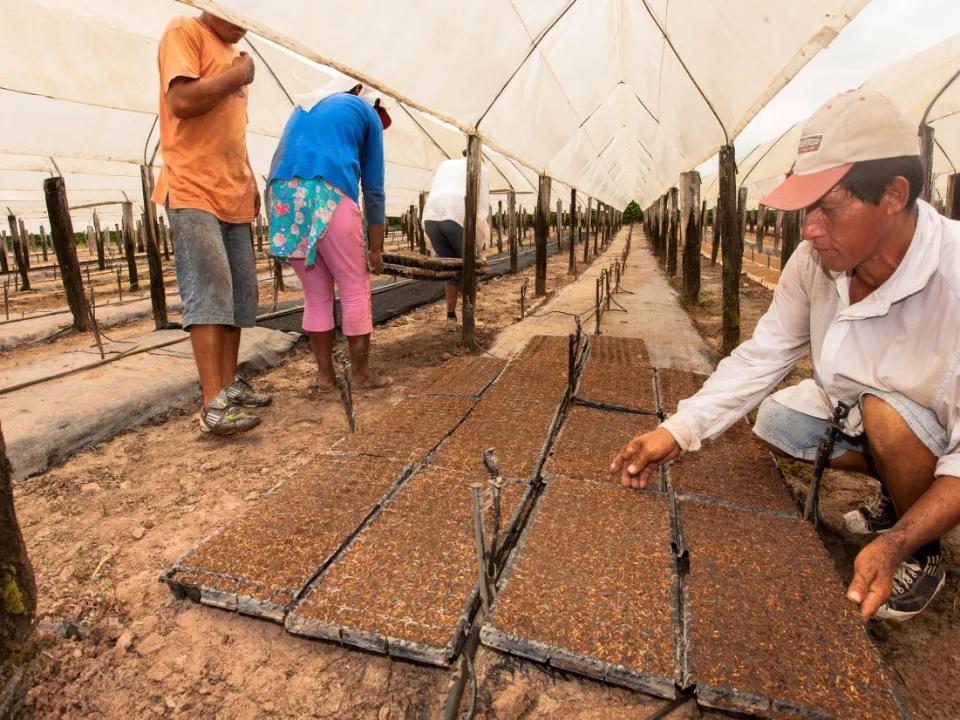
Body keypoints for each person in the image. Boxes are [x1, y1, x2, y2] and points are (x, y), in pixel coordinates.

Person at [611, 90, 960, 622]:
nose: (809, 229)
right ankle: (899, 488)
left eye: (828, 208)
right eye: (805, 209)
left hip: (926, 427)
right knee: (777, 420)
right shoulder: (814, 262)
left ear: (894, 194)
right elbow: (764, 354)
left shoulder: (952, 278)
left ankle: (922, 545)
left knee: (885, 416)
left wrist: (896, 543)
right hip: (853, 411)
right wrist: (678, 430)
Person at [154, 12, 272, 436]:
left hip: (233, 190)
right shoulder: (185, 31)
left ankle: (228, 385)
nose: (243, 24)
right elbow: (182, 102)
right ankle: (212, 405)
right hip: (193, 187)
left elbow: (231, 130)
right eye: (235, 13)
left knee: (237, 295)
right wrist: (238, 74)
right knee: (208, 290)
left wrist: (249, 177)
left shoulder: (233, 51)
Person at [267, 79, 392, 392]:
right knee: (354, 287)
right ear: (362, 93)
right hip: (328, 194)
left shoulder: (304, 106)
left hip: (283, 199)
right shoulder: (365, 109)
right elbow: (373, 188)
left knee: (316, 295)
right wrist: (375, 249)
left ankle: (325, 377)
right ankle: (361, 376)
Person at [422, 152, 491, 328]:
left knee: (451, 270)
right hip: (456, 215)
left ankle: (451, 319)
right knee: (471, 269)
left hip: (431, 217)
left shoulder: (446, 165)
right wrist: (480, 242)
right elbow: (481, 206)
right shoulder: (480, 168)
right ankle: (470, 318)